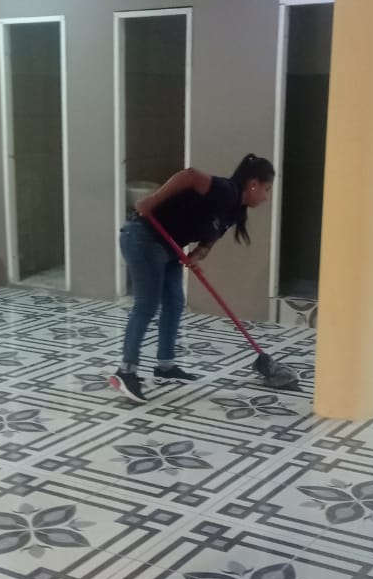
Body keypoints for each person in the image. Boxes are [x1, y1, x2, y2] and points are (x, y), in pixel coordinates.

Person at [112, 153, 274, 403]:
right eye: (266, 189)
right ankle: (125, 372)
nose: (266, 196)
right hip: (144, 237)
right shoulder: (225, 191)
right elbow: (190, 175)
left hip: (169, 246)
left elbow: (209, 241)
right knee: (146, 305)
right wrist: (152, 199)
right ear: (253, 184)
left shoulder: (235, 211)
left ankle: (165, 366)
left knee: (175, 302)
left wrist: (196, 256)